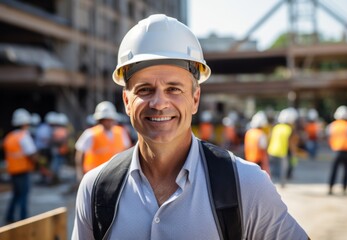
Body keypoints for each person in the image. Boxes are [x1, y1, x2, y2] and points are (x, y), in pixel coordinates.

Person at [72, 14, 309, 239]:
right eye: (144, 90)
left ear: (195, 99)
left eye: (174, 89)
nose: (159, 103)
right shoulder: (96, 190)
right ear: (126, 101)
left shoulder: (245, 184)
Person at [74, 101, 132, 183]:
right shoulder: (90, 134)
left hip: (116, 175)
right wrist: (79, 173)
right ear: (100, 120)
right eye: (106, 120)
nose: (108, 122)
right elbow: (80, 153)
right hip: (93, 176)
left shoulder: (121, 132)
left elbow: (127, 152)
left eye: (110, 119)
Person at [3, 108, 38, 223]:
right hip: (23, 170)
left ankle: (9, 216)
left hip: (13, 170)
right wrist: (36, 165)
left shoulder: (9, 137)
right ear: (24, 123)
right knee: (23, 196)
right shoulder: (24, 136)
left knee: (16, 195)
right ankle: (23, 220)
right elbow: (31, 154)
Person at [326, 105, 347, 196]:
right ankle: (344, 189)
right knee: (346, 170)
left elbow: (328, 136)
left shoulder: (332, 125)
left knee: (334, 170)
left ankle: (330, 188)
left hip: (337, 150)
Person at [267, 107, 299, 187]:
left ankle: (269, 183)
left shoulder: (276, 127)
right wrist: (294, 153)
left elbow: (269, 138)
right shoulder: (289, 129)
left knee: (272, 169)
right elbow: (291, 143)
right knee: (283, 170)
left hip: (271, 151)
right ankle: (282, 184)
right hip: (282, 152)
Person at [244, 111, 270, 175]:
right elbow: (263, 147)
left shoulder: (249, 132)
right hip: (258, 160)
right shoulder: (261, 134)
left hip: (248, 158)